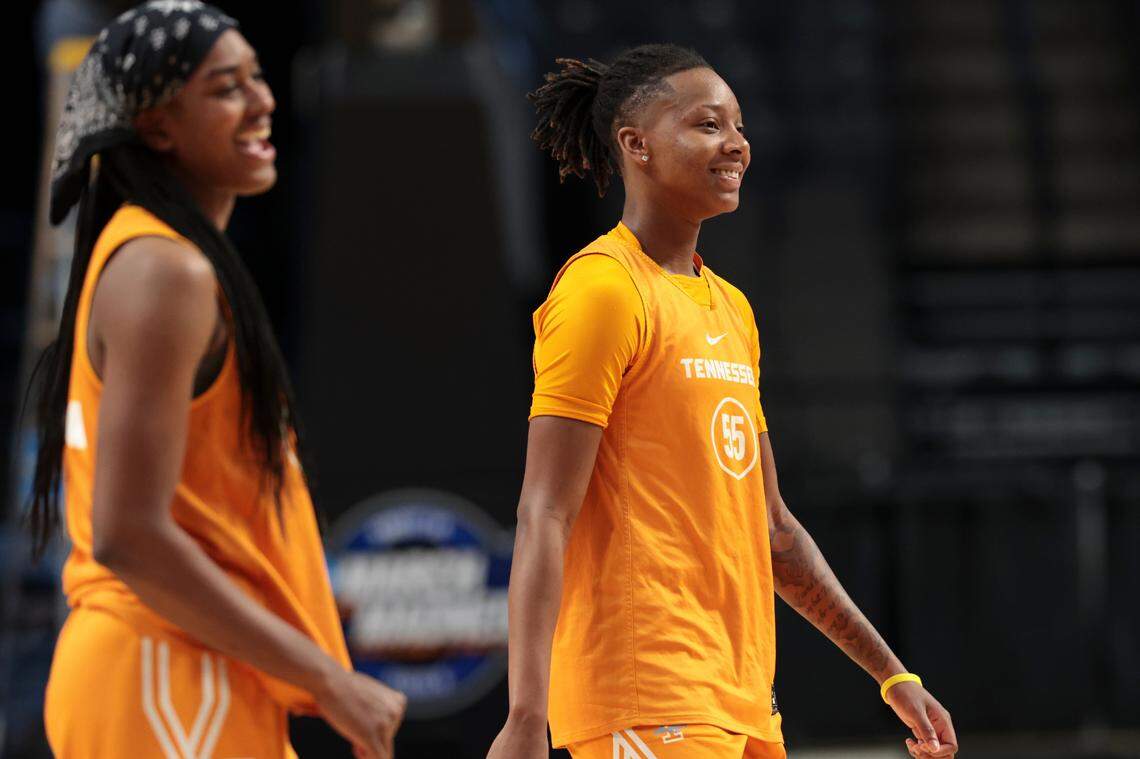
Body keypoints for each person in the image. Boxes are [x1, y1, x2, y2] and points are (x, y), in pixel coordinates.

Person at [486, 45, 958, 759]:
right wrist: (526, 714)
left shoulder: (731, 307)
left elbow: (774, 531)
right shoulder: (603, 290)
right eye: (708, 125)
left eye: (738, 125)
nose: (736, 143)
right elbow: (543, 511)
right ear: (636, 144)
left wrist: (893, 674)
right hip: (643, 697)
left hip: (742, 704)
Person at [28, 3, 405, 757]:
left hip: (190, 670)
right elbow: (128, 535)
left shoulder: (156, 257)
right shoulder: (166, 269)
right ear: (159, 125)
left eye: (257, 77)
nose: (263, 99)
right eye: (227, 87)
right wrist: (329, 679)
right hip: (161, 672)